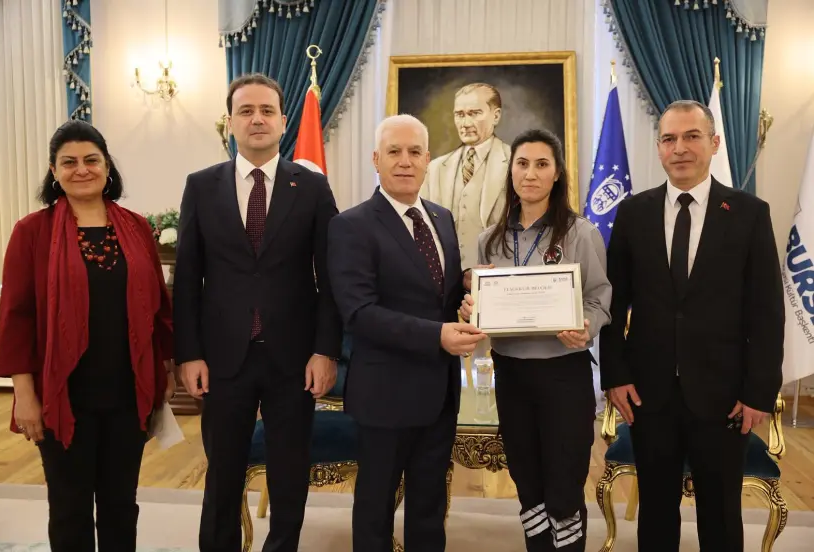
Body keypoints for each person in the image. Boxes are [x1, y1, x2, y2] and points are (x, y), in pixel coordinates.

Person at [600, 100, 785, 552]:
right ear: (659, 148)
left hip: (725, 397)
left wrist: (759, 391)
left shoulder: (749, 213)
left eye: (691, 136)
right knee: (655, 515)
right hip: (648, 394)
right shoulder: (633, 213)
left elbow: (766, 310)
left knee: (721, 517)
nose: (679, 148)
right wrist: (615, 375)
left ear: (714, 143)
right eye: (669, 139)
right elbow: (611, 303)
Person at [173, 73, 342, 552]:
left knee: (290, 473)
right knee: (223, 473)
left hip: (295, 359)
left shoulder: (312, 187)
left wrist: (326, 350)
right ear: (230, 122)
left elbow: (331, 278)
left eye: (267, 110)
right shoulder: (201, 186)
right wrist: (189, 353)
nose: (257, 119)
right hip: (223, 358)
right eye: (245, 111)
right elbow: (187, 278)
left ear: (284, 122)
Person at [0, 120, 175, 552]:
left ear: (107, 166)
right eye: (68, 162)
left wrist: (165, 375)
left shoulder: (136, 227)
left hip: (129, 392)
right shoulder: (31, 232)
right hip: (61, 396)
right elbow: (16, 319)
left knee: (120, 504)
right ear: (53, 171)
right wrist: (25, 397)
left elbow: (159, 310)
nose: (81, 170)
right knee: (69, 507)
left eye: (91, 160)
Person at [327, 114, 486, 552]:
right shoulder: (351, 225)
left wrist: (471, 293)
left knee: (429, 507)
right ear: (376, 160)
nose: (405, 161)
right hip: (384, 393)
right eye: (394, 152)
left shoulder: (441, 218)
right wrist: (438, 335)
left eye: (415, 152)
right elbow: (359, 312)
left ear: (427, 159)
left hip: (439, 392)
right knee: (376, 509)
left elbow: (440, 295)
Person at [459, 128, 611, 551]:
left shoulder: (581, 233)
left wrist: (586, 325)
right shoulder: (489, 239)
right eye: (522, 164)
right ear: (511, 172)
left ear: (557, 173)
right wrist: (472, 309)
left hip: (564, 374)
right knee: (527, 483)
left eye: (542, 164)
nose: (530, 173)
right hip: (511, 375)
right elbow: (480, 304)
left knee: (564, 484)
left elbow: (600, 297)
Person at [421, 83, 511, 269]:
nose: (466, 123)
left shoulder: (514, 163)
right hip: (447, 279)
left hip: (498, 276)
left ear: (496, 116)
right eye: (460, 115)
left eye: (474, 113)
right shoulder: (435, 169)